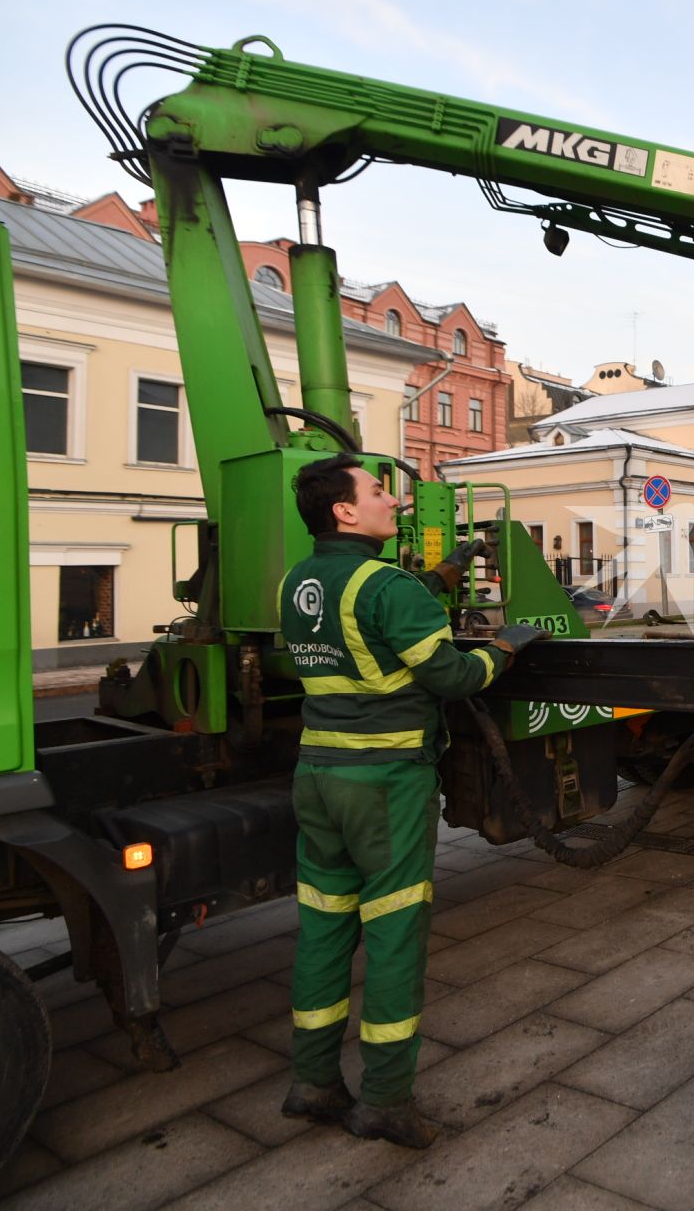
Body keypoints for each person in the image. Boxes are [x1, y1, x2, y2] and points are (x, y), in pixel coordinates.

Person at [277, 454, 544, 1148]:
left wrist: (444, 573)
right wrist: (508, 649)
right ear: (344, 510)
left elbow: (368, 613)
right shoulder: (387, 586)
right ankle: (386, 1100)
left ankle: (312, 1081)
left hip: (318, 779)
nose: (394, 502)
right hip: (385, 786)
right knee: (394, 934)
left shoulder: (300, 580)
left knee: (325, 926)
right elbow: (453, 675)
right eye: (377, 491)